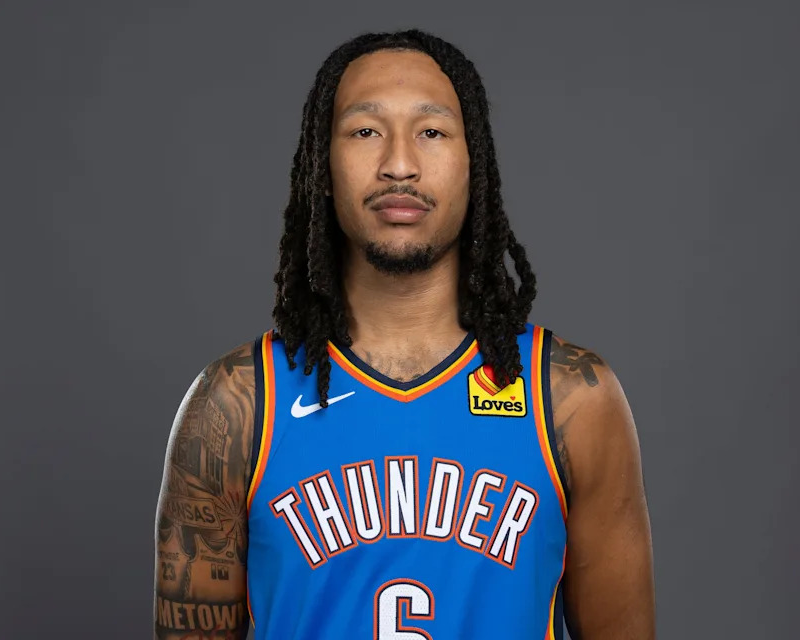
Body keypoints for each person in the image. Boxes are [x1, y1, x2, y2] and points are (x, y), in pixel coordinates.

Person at [154, 29, 654, 640]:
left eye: (432, 132)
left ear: (476, 165)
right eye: (365, 131)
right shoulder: (237, 402)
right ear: (323, 164)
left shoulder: (572, 398)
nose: (398, 163)